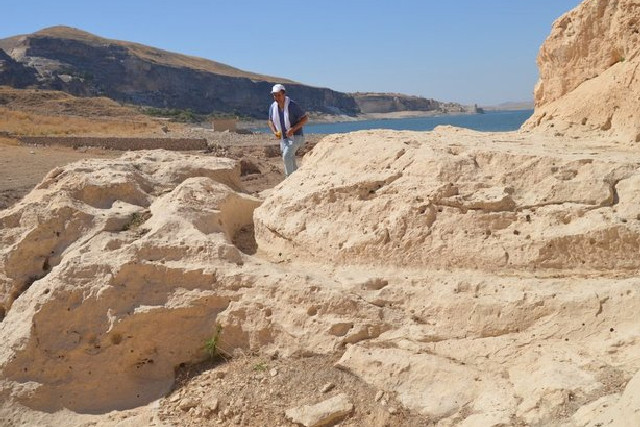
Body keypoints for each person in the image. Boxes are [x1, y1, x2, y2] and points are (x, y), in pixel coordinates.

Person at [267, 84, 308, 177]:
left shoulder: (292, 106)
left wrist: (292, 129)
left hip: (296, 136)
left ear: (284, 94)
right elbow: (270, 121)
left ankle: (288, 179)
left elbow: (305, 118)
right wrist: (274, 131)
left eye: (278, 95)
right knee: (290, 159)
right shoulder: (273, 107)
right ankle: (298, 177)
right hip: (284, 138)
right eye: (274, 95)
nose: (277, 97)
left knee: (286, 156)